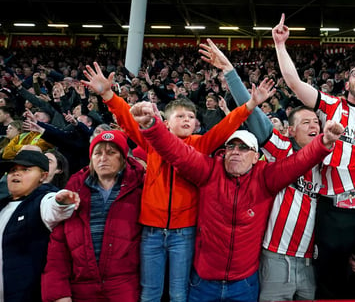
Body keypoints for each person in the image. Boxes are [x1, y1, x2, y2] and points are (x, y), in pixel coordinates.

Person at [82, 62, 268, 302]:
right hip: (151, 230)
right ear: (165, 123)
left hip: (184, 231)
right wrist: (108, 95)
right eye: (180, 116)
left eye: (191, 116)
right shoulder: (152, 141)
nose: (187, 119)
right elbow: (130, 120)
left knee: (179, 293)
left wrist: (250, 105)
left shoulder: (201, 145)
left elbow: (225, 128)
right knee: (150, 292)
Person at [130, 101, 344, 302]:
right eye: (231, 147)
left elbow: (298, 162)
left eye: (243, 149)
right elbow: (177, 152)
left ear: (255, 157)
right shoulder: (209, 171)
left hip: (244, 283)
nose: (235, 153)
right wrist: (151, 125)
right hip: (204, 282)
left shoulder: (265, 177)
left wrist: (324, 142)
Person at [272, 14, 355, 299]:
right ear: (347, 84)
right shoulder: (331, 106)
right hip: (333, 209)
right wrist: (280, 44)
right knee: (330, 277)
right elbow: (295, 84)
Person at [42, 130, 146, 301]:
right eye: (97, 153)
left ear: (123, 159)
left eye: (111, 152)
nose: (103, 158)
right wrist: (59, 293)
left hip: (125, 288)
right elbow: (58, 246)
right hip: (81, 290)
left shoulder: (140, 189)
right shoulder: (73, 191)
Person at [0, 149, 78, 301]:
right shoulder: (3, 205)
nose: (16, 173)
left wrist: (61, 201)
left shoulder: (42, 199)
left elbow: (54, 208)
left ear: (43, 176)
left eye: (25, 169)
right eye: (13, 170)